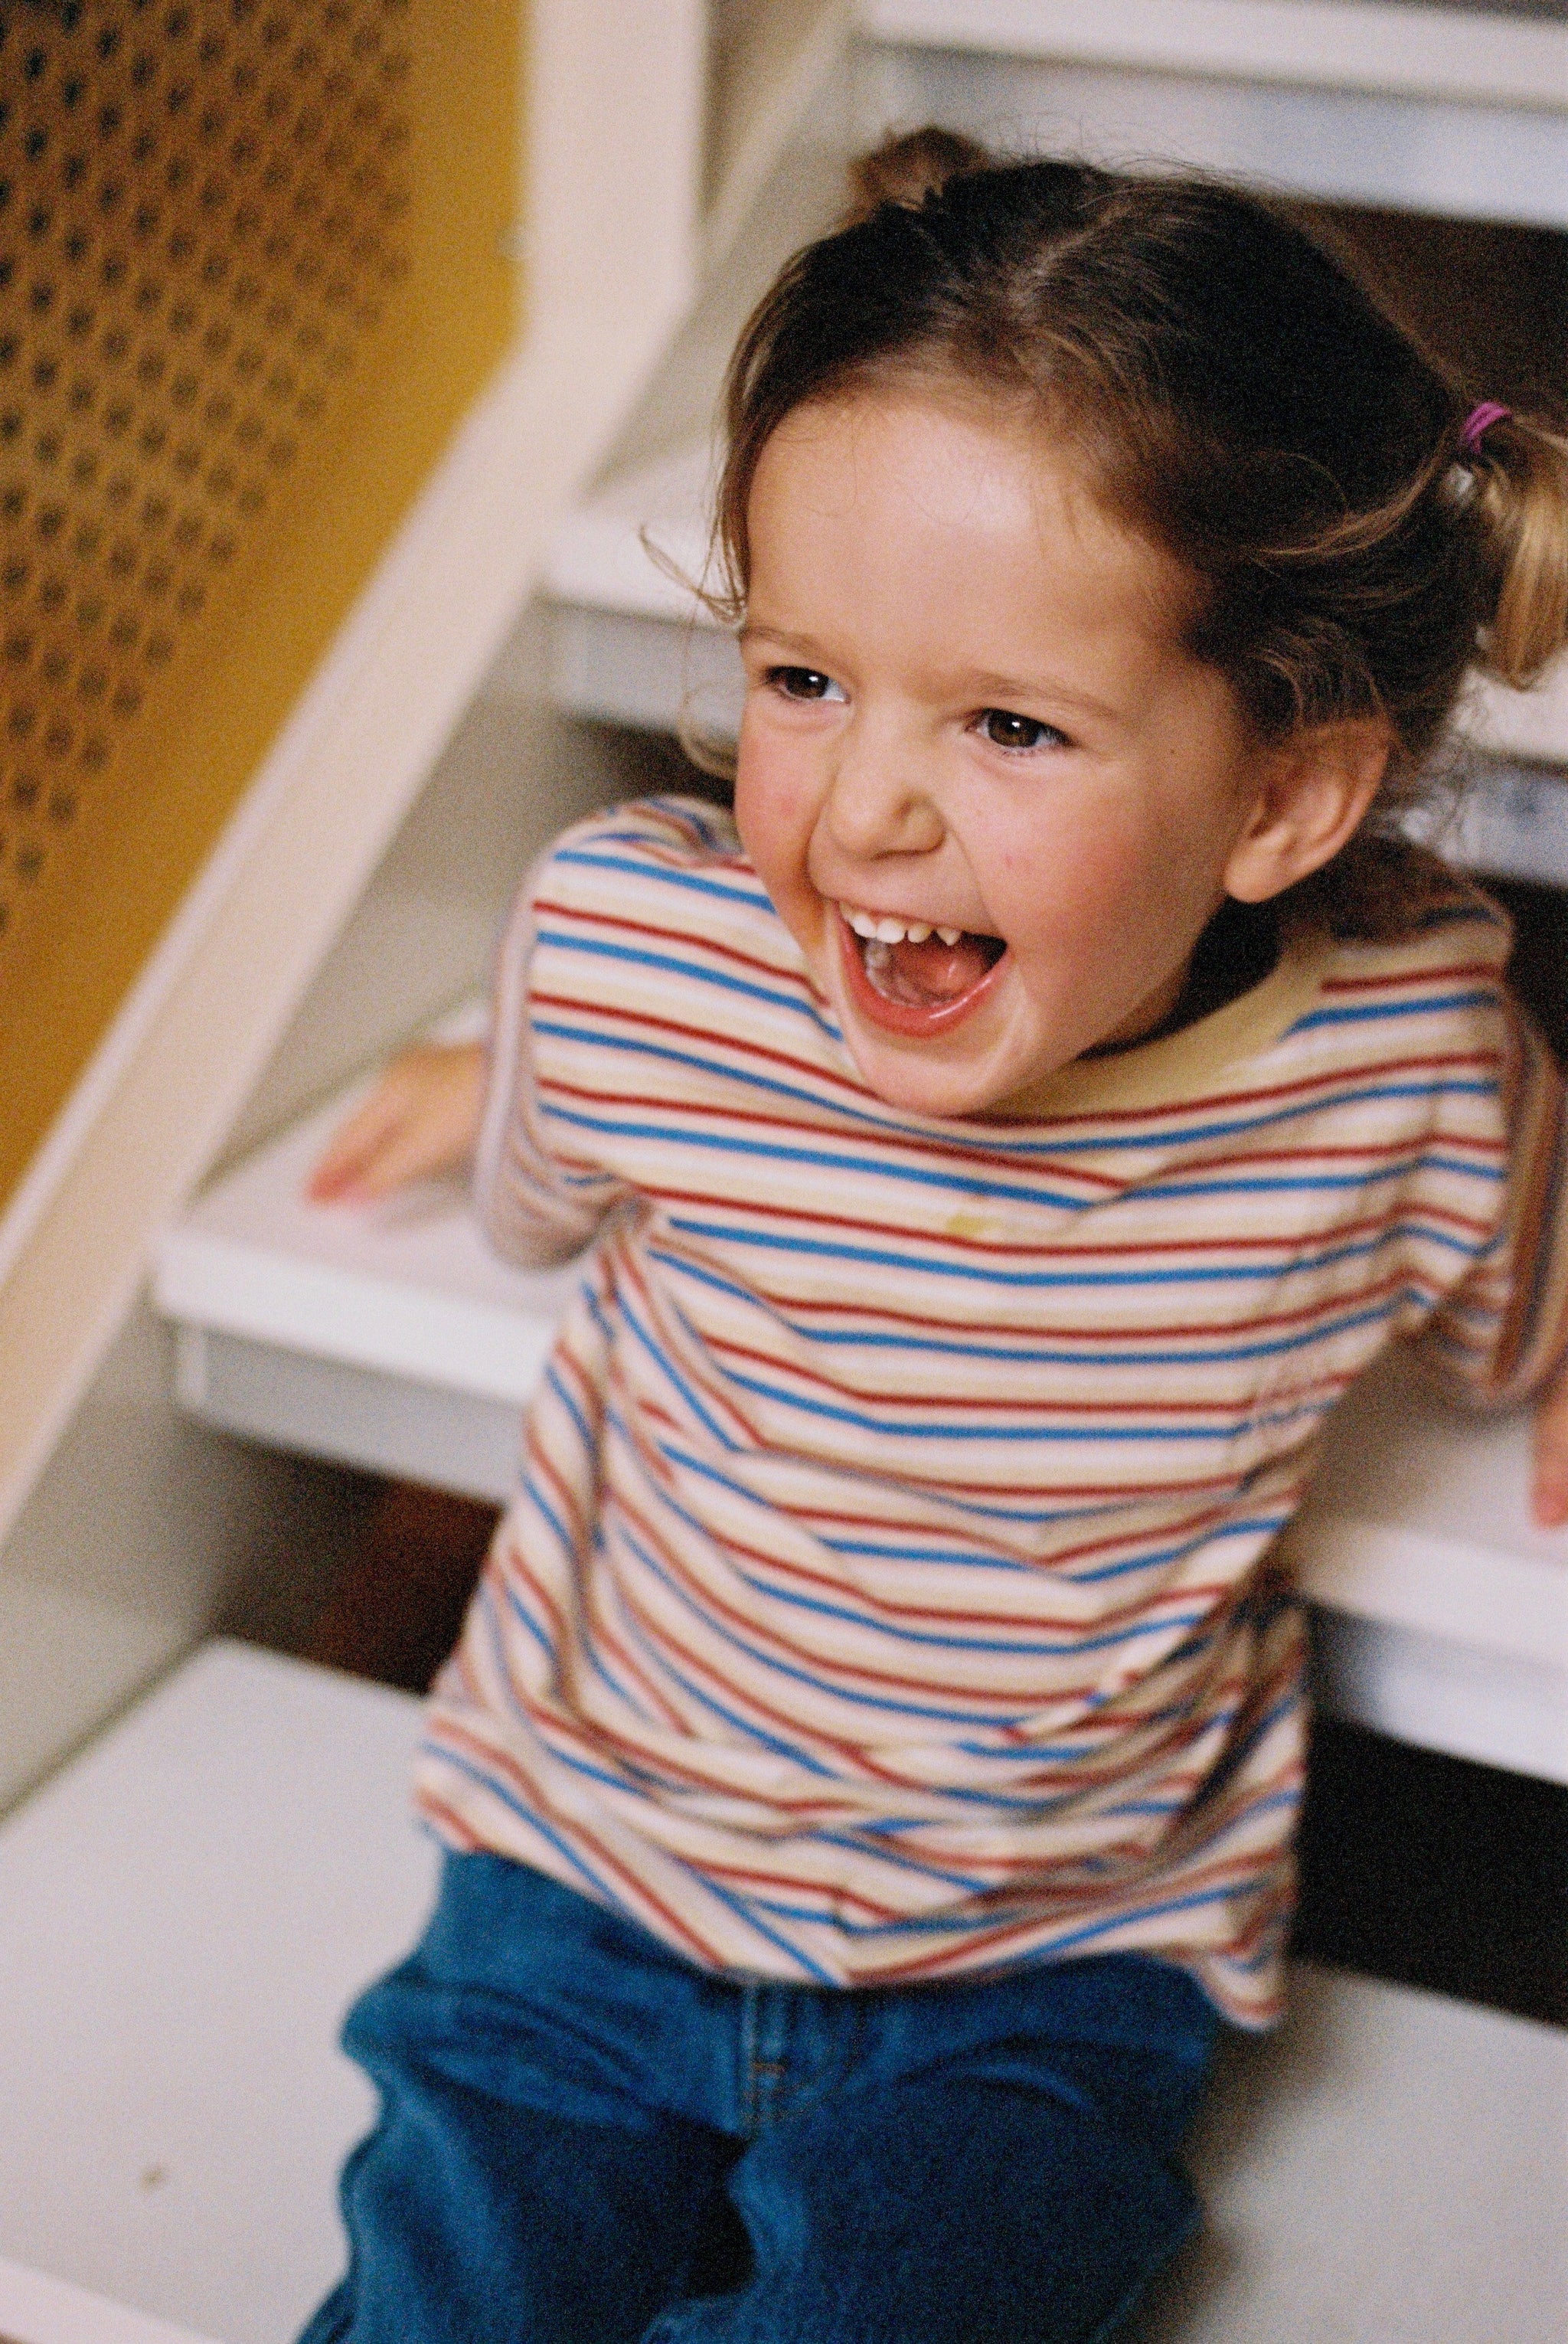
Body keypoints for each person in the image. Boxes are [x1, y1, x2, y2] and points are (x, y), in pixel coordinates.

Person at [300, 132, 1568, 2344]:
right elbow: (533, 1183)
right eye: (801, 680)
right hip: (585, 1883)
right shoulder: (631, 961)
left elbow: (1513, 1296)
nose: (866, 806)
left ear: (1281, 802)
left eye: (1007, 724)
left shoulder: (1405, 1068)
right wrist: (494, 1050)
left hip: (1044, 1965)